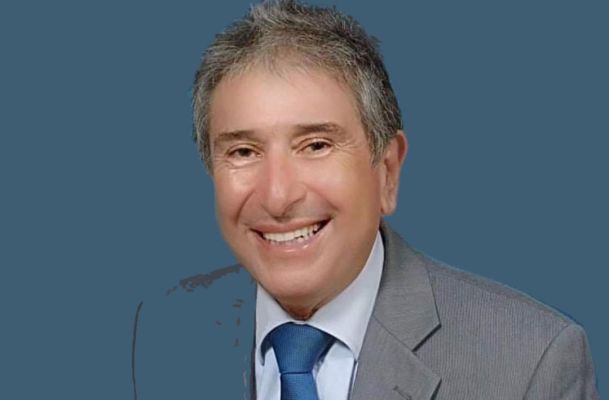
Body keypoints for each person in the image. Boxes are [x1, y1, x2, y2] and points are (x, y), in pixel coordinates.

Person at [131, 1, 599, 399]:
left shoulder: (529, 362)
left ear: (387, 171)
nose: (277, 195)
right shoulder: (165, 331)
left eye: (316, 145)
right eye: (243, 151)